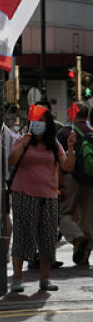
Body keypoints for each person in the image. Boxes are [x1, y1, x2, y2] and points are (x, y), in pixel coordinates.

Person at [10, 107, 75, 292]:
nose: (37, 124)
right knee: (23, 235)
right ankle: (17, 278)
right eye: (34, 120)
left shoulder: (53, 144)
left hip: (48, 196)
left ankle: (44, 279)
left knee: (48, 237)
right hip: (23, 194)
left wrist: (71, 148)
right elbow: (12, 161)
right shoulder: (22, 140)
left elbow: (67, 166)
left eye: (41, 121)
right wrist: (23, 144)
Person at [58, 102, 93, 267]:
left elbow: (57, 159)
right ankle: (84, 256)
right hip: (90, 179)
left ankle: (77, 239)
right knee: (88, 219)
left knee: (63, 214)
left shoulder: (65, 132)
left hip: (70, 178)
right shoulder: (92, 132)